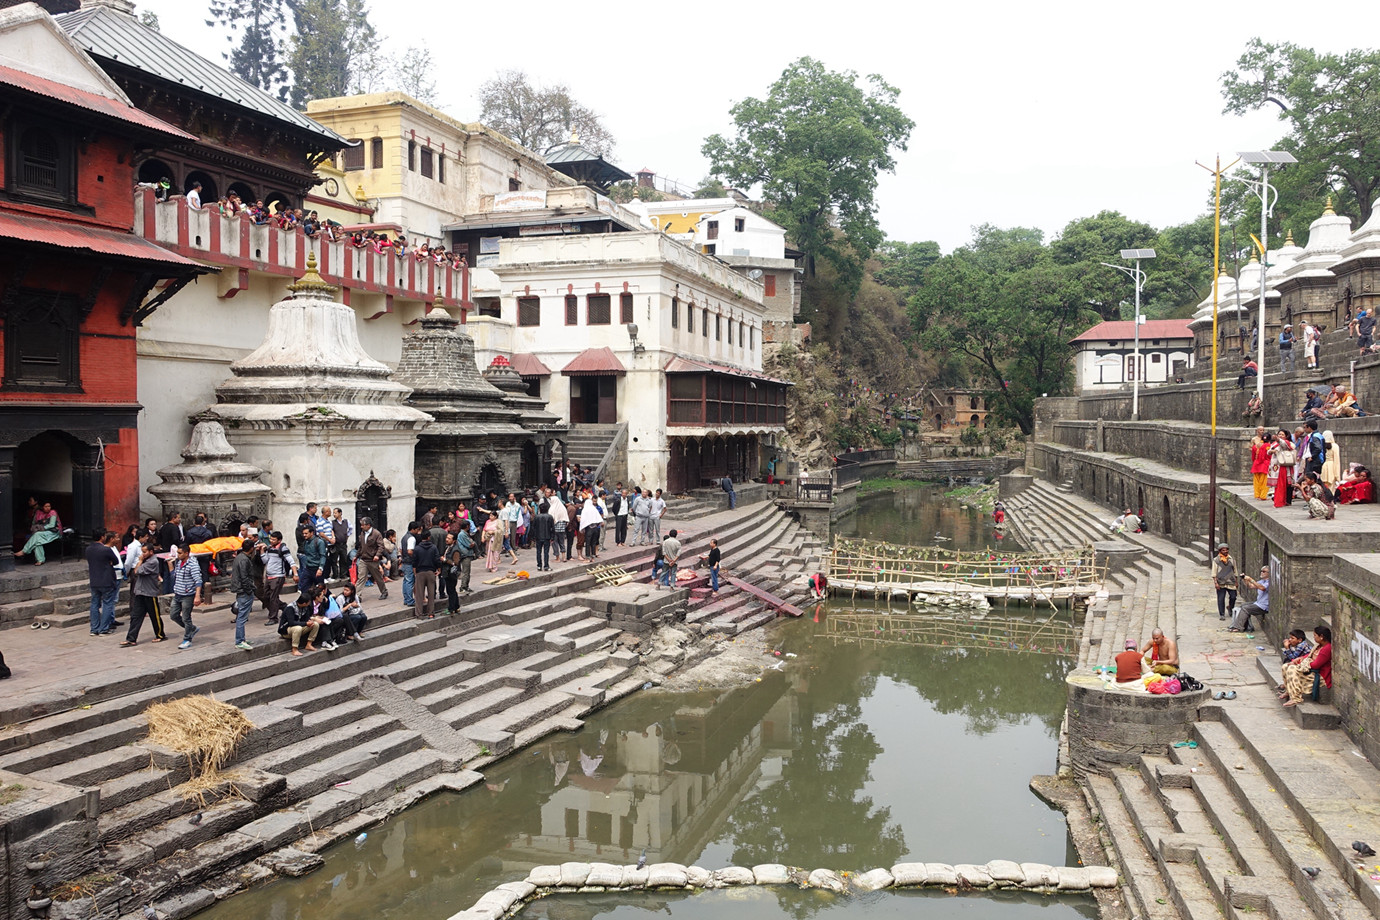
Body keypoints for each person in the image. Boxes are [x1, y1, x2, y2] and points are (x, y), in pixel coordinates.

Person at [120, 540, 166, 646]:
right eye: (142, 552)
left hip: (149, 593)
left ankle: (160, 634)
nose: (142, 554)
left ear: (151, 552)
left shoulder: (153, 562)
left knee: (154, 615)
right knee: (136, 616)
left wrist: (139, 561)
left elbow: (137, 571)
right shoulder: (146, 560)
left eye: (145, 552)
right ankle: (131, 638)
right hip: (140, 592)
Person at [1282, 625, 1332, 707]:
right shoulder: (1318, 646)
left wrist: (1300, 665)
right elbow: (1309, 655)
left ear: (1321, 637)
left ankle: (1296, 698)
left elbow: (1316, 665)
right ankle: (1289, 691)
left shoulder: (1327, 649)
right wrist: (1299, 659)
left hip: (1318, 674)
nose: (1314, 637)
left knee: (1292, 669)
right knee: (1286, 666)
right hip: (1309, 667)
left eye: (1315, 635)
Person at [86, 531, 121, 636]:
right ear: (102, 537)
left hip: (94, 580)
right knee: (107, 604)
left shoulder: (88, 549)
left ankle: (94, 628)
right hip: (106, 580)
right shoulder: (106, 549)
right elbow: (115, 561)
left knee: (94, 604)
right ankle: (103, 628)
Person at [168, 545, 203, 649]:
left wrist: (197, 596)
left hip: (188, 595)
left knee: (186, 617)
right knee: (173, 615)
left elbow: (198, 581)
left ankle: (187, 639)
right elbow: (175, 576)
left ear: (186, 553)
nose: (178, 555)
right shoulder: (179, 563)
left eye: (180, 553)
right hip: (178, 593)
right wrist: (170, 566)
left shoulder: (192, 565)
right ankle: (191, 628)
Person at [228, 538, 258, 651]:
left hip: (241, 589)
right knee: (242, 617)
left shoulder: (240, 558)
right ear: (251, 549)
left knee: (242, 616)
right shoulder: (244, 560)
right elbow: (244, 577)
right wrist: (250, 590)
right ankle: (239, 640)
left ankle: (242, 638)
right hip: (244, 591)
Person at [261, 531, 296, 624]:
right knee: (266, 596)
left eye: (273, 539)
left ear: (279, 540)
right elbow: (265, 561)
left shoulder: (283, 549)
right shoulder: (269, 548)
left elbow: (291, 562)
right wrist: (262, 552)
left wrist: (295, 574)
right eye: (270, 539)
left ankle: (273, 618)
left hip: (278, 576)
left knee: (273, 597)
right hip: (269, 576)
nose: (271, 541)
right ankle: (285, 607)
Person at [16, 500, 61, 565]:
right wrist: (34, 528)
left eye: (49, 506)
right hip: (42, 533)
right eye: (46, 506)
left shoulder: (52, 512)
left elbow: (52, 525)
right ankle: (40, 560)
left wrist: (40, 528)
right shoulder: (39, 513)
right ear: (42, 507)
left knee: (37, 535)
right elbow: (34, 523)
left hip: (53, 532)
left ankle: (24, 551)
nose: (48, 508)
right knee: (37, 541)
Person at [1230, 565, 1269, 632]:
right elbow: (1250, 586)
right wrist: (1245, 579)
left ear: (1269, 573)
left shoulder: (1269, 582)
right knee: (1243, 605)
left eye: (1264, 572)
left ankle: (1239, 627)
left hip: (1263, 606)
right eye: (1261, 571)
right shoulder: (1262, 581)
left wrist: (1250, 579)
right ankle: (1246, 625)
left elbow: (1262, 588)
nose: (1262, 573)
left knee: (1246, 609)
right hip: (1258, 602)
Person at [356, 517, 387, 599]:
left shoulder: (376, 534)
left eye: (363, 525)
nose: (361, 527)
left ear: (368, 525)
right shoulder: (362, 533)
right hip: (363, 559)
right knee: (361, 578)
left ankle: (384, 592)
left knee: (378, 577)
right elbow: (361, 546)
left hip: (373, 560)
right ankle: (357, 596)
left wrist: (377, 555)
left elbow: (381, 546)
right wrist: (356, 556)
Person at [411, 529, 440, 620]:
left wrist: (415, 572)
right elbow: (437, 560)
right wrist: (438, 569)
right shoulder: (433, 547)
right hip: (431, 572)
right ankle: (430, 613)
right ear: (429, 537)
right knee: (431, 594)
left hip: (420, 572)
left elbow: (414, 562)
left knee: (419, 594)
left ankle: (419, 614)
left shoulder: (417, 548)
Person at [1211, 544, 1238, 622]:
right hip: (1221, 582)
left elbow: (1235, 570)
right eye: (1223, 550)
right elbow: (1214, 572)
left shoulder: (1231, 559)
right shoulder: (1216, 560)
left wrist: (1236, 581)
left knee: (1233, 596)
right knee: (1221, 598)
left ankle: (1230, 607)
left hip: (1231, 581)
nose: (1225, 551)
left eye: (1226, 550)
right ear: (1220, 551)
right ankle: (1222, 614)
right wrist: (1216, 583)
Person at [298, 524, 327, 595]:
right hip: (308, 569)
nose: (304, 535)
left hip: (317, 569)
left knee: (320, 590)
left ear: (312, 533)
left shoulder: (319, 542)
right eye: (303, 534)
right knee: (304, 588)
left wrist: (320, 568)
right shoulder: (305, 542)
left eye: (306, 533)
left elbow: (323, 556)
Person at [1271, 429, 1295, 507]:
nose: (1280, 436)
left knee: (1281, 485)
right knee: (1277, 485)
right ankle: (1279, 500)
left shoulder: (1287, 443)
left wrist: (1278, 439)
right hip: (1275, 466)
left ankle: (1280, 501)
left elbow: (1284, 444)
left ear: (1286, 436)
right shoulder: (1274, 444)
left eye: (1282, 435)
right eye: (1279, 434)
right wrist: (1271, 451)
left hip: (1282, 466)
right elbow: (1269, 451)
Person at [399, 522, 421, 606]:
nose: (418, 532)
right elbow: (410, 551)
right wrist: (415, 556)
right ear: (413, 529)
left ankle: (406, 599)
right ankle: (409, 600)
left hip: (404, 561)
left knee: (406, 581)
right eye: (417, 530)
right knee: (409, 581)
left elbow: (401, 549)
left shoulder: (404, 537)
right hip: (409, 562)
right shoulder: (412, 538)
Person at [1249, 427, 1272, 501]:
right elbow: (1269, 457)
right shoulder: (1268, 446)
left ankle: (1257, 495)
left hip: (1256, 465)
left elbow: (1253, 457)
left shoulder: (1255, 446)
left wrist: (1255, 462)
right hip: (1265, 465)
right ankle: (1263, 496)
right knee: (1264, 482)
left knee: (1256, 481)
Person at [531, 501, 554, 572]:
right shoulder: (550, 517)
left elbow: (533, 527)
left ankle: (539, 565)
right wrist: (552, 537)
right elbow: (552, 528)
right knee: (546, 552)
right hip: (547, 536)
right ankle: (546, 566)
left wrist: (533, 537)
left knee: (538, 551)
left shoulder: (536, 517)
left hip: (538, 536)